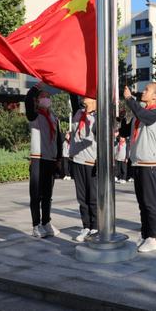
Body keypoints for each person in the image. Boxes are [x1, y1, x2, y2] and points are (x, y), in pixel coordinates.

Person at [120, 83, 156, 253]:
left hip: (149, 164)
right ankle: (146, 235)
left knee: (150, 203)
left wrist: (130, 98)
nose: (144, 91)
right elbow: (124, 132)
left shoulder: (154, 112)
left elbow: (141, 113)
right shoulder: (140, 114)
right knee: (142, 203)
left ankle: (153, 238)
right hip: (137, 162)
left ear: (155, 96)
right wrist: (123, 117)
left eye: (147, 90)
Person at [24, 83, 61, 238]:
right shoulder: (35, 116)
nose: (46, 99)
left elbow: (58, 139)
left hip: (51, 159)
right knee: (36, 194)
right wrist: (35, 89)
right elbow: (27, 102)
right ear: (37, 101)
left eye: (48, 97)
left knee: (47, 194)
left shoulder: (54, 118)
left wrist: (59, 159)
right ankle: (36, 225)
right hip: (38, 158)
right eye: (42, 97)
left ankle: (46, 222)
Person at [69, 94, 98, 242]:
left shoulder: (98, 118)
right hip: (77, 161)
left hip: (91, 162)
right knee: (81, 198)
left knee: (92, 197)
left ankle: (96, 226)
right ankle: (86, 226)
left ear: (95, 101)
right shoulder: (78, 113)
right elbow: (72, 94)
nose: (82, 99)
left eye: (86, 97)